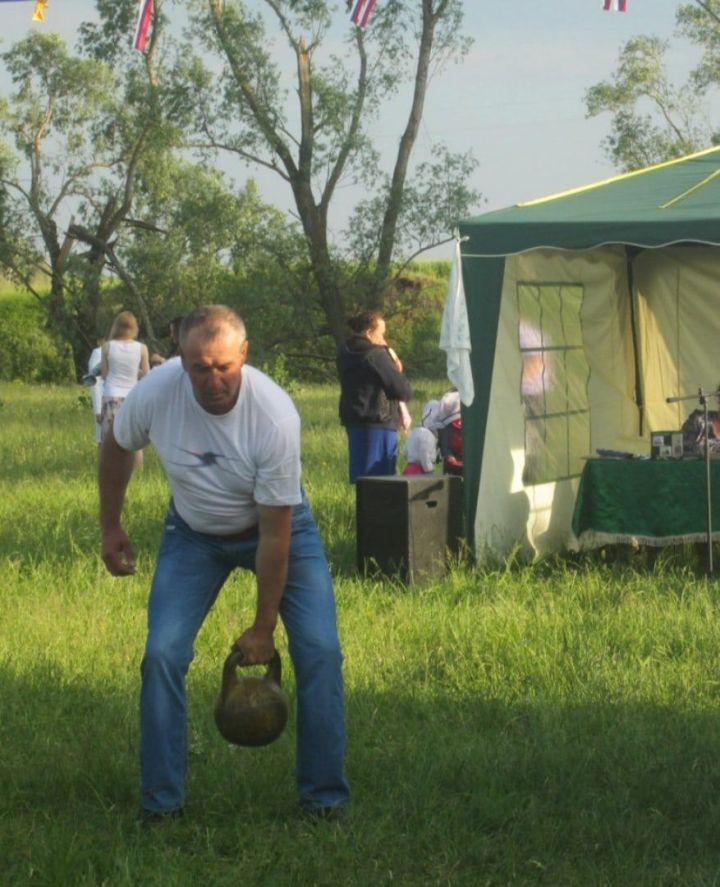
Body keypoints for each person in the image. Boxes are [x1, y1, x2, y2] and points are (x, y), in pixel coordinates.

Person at [98, 305, 349, 823]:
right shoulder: (156, 391)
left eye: (224, 367)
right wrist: (111, 525)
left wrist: (263, 627)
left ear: (244, 356)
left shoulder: (275, 415)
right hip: (192, 534)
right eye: (199, 367)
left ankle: (324, 800)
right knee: (162, 655)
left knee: (320, 651)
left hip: (279, 530)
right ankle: (161, 805)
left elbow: (276, 534)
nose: (212, 380)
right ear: (180, 358)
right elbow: (117, 446)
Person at [337, 310, 412, 483]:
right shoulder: (377, 355)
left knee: (363, 482)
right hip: (380, 422)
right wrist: (397, 370)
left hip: (355, 422)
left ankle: (364, 510)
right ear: (369, 333)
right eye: (381, 334)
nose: (383, 340)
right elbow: (402, 390)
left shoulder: (344, 352)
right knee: (382, 483)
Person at [100, 311, 150, 466]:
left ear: (116, 327)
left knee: (110, 438)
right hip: (132, 396)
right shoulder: (142, 348)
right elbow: (146, 374)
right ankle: (138, 470)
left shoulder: (107, 347)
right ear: (134, 328)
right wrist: (133, 371)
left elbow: (104, 374)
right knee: (135, 439)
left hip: (111, 395)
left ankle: (112, 468)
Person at [87, 340, 104, 447]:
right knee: (103, 441)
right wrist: (98, 410)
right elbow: (94, 383)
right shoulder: (99, 353)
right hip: (104, 404)